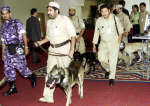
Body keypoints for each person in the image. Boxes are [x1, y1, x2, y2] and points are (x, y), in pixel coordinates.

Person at [35, 2, 76, 103]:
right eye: (48, 10)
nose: (48, 12)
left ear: (56, 10)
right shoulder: (49, 22)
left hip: (64, 50)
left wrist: (71, 50)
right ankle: (48, 96)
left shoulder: (65, 20)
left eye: (50, 10)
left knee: (66, 74)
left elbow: (73, 36)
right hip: (52, 51)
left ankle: (68, 96)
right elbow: (48, 37)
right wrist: (40, 42)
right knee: (50, 73)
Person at [0, 6, 36, 96]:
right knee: (8, 70)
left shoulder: (17, 22)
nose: (5, 15)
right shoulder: (2, 27)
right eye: (3, 14)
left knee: (22, 69)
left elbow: (23, 35)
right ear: (1, 15)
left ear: (10, 13)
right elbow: (3, 42)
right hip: (8, 50)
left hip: (18, 49)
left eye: (6, 13)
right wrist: (2, 53)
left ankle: (32, 76)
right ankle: (13, 88)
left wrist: (26, 47)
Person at [93, 4, 123, 86]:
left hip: (114, 43)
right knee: (101, 58)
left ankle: (111, 77)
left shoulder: (114, 18)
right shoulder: (99, 20)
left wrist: (118, 44)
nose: (104, 13)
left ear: (109, 11)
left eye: (106, 11)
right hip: (103, 43)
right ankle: (108, 69)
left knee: (113, 60)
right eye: (102, 11)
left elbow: (120, 32)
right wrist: (94, 45)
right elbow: (96, 33)